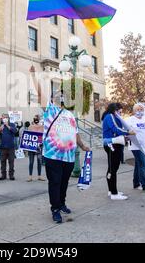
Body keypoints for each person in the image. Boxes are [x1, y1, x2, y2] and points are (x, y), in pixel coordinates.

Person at [30, 66, 90, 224]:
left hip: (69, 156)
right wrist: (33, 76)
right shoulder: (49, 110)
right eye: (57, 93)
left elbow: (75, 132)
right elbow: (40, 93)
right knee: (55, 182)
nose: (60, 95)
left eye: (62, 94)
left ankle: (62, 203)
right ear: (53, 98)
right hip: (52, 155)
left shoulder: (69, 114)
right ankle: (55, 209)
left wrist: (83, 146)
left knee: (64, 182)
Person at [102, 103, 134, 200]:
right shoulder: (110, 116)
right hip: (112, 144)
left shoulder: (110, 116)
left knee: (112, 168)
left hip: (113, 143)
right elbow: (115, 128)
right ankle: (114, 194)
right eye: (119, 110)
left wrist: (125, 136)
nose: (120, 112)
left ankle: (111, 190)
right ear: (114, 109)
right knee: (113, 169)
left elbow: (116, 130)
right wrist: (128, 132)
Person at [126, 104, 145, 193]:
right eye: (137, 109)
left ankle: (136, 184)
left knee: (138, 164)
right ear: (133, 111)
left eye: (141, 109)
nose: (139, 111)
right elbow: (125, 130)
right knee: (143, 164)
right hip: (135, 145)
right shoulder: (129, 120)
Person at [0, 113, 17, 181]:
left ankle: (11, 175)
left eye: (5, 117)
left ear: (8, 118)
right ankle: (3, 175)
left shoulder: (12, 124)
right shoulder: (0, 125)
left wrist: (7, 125)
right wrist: (0, 130)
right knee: (2, 162)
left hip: (11, 147)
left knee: (11, 162)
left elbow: (15, 131)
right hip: (3, 147)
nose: (4, 119)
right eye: (3, 118)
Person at [27, 115, 45, 182]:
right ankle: (30, 176)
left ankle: (39, 176)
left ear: (39, 119)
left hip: (39, 147)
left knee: (39, 162)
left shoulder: (42, 127)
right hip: (31, 147)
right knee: (31, 162)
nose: (36, 119)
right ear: (33, 119)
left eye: (37, 118)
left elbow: (43, 136)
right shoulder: (30, 127)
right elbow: (28, 136)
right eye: (35, 118)